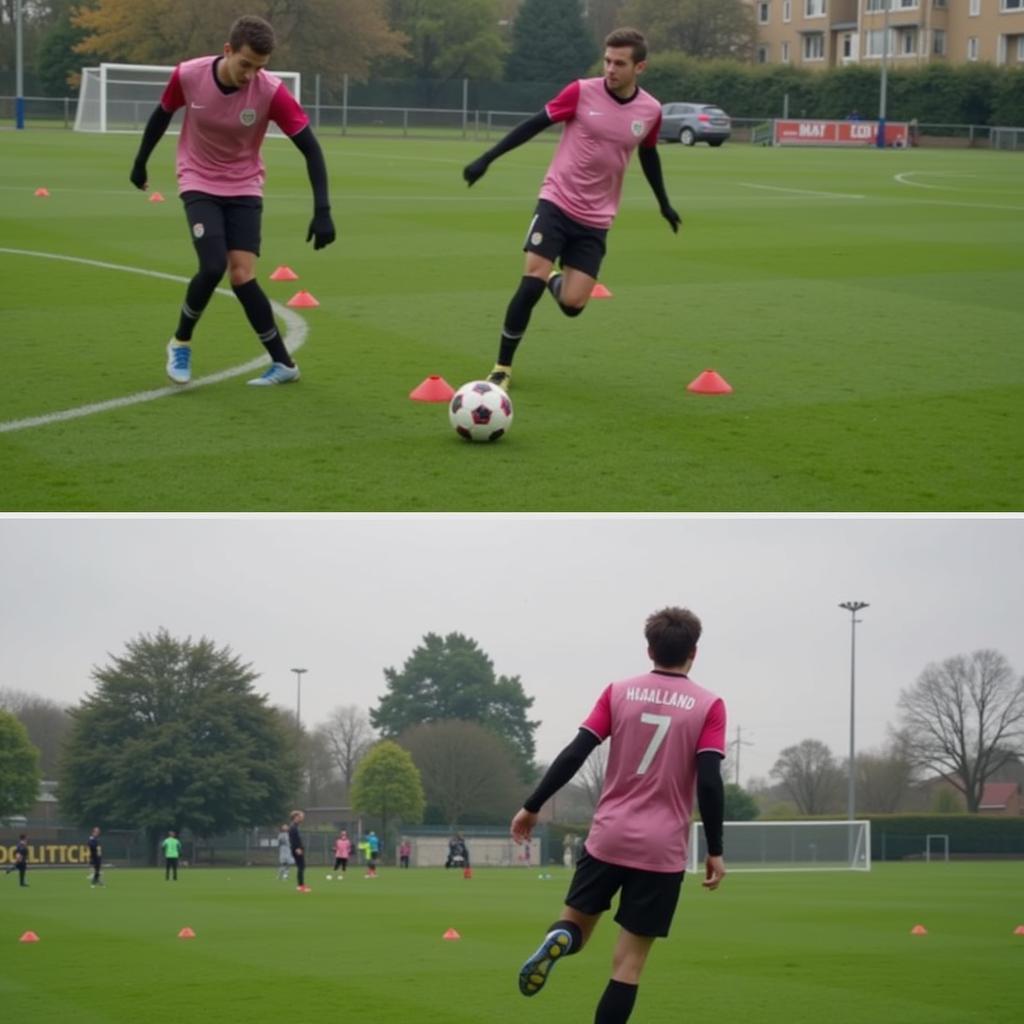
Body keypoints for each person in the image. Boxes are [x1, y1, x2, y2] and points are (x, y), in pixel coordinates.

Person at [509, 606, 726, 1024]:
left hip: (608, 837)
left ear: (649, 649)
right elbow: (710, 781)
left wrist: (532, 805)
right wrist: (715, 849)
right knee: (627, 967)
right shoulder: (709, 705)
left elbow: (575, 752)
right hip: (661, 850)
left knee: (576, 927)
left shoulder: (618, 692)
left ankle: (561, 938)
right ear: (694, 652)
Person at [462, 27, 679, 392]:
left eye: (620, 63)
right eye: (607, 60)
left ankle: (553, 278)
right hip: (557, 201)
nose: (610, 69)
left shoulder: (651, 110)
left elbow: (649, 154)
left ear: (639, 67)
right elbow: (534, 124)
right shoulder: (581, 91)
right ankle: (502, 367)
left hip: (596, 218)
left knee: (574, 304)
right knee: (530, 282)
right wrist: (488, 158)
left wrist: (664, 204)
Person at [128, 14, 335, 387]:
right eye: (245, 65)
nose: (250, 75)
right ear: (227, 51)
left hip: (244, 187)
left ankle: (284, 365)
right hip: (198, 179)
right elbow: (161, 116)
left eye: (259, 67)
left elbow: (311, 149)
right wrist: (140, 162)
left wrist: (323, 211)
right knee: (211, 266)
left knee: (242, 276)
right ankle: (181, 342)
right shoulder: (188, 75)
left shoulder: (270, 91)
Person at [288, 810, 309, 892]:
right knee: (301, 866)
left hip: (298, 849)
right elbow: (293, 840)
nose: (301, 818)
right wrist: (297, 848)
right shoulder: (293, 827)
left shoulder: (295, 826)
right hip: (296, 849)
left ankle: (301, 884)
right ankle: (300, 886)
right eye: (299, 817)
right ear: (295, 817)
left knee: (302, 866)